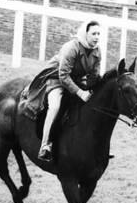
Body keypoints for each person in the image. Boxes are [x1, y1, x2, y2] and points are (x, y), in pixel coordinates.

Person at [23, 21, 102, 162]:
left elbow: (94, 76)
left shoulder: (97, 51)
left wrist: (93, 90)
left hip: (75, 80)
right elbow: (63, 76)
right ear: (85, 33)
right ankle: (45, 146)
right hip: (56, 78)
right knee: (55, 107)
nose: (96, 37)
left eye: (98, 34)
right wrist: (81, 93)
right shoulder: (71, 47)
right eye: (93, 33)